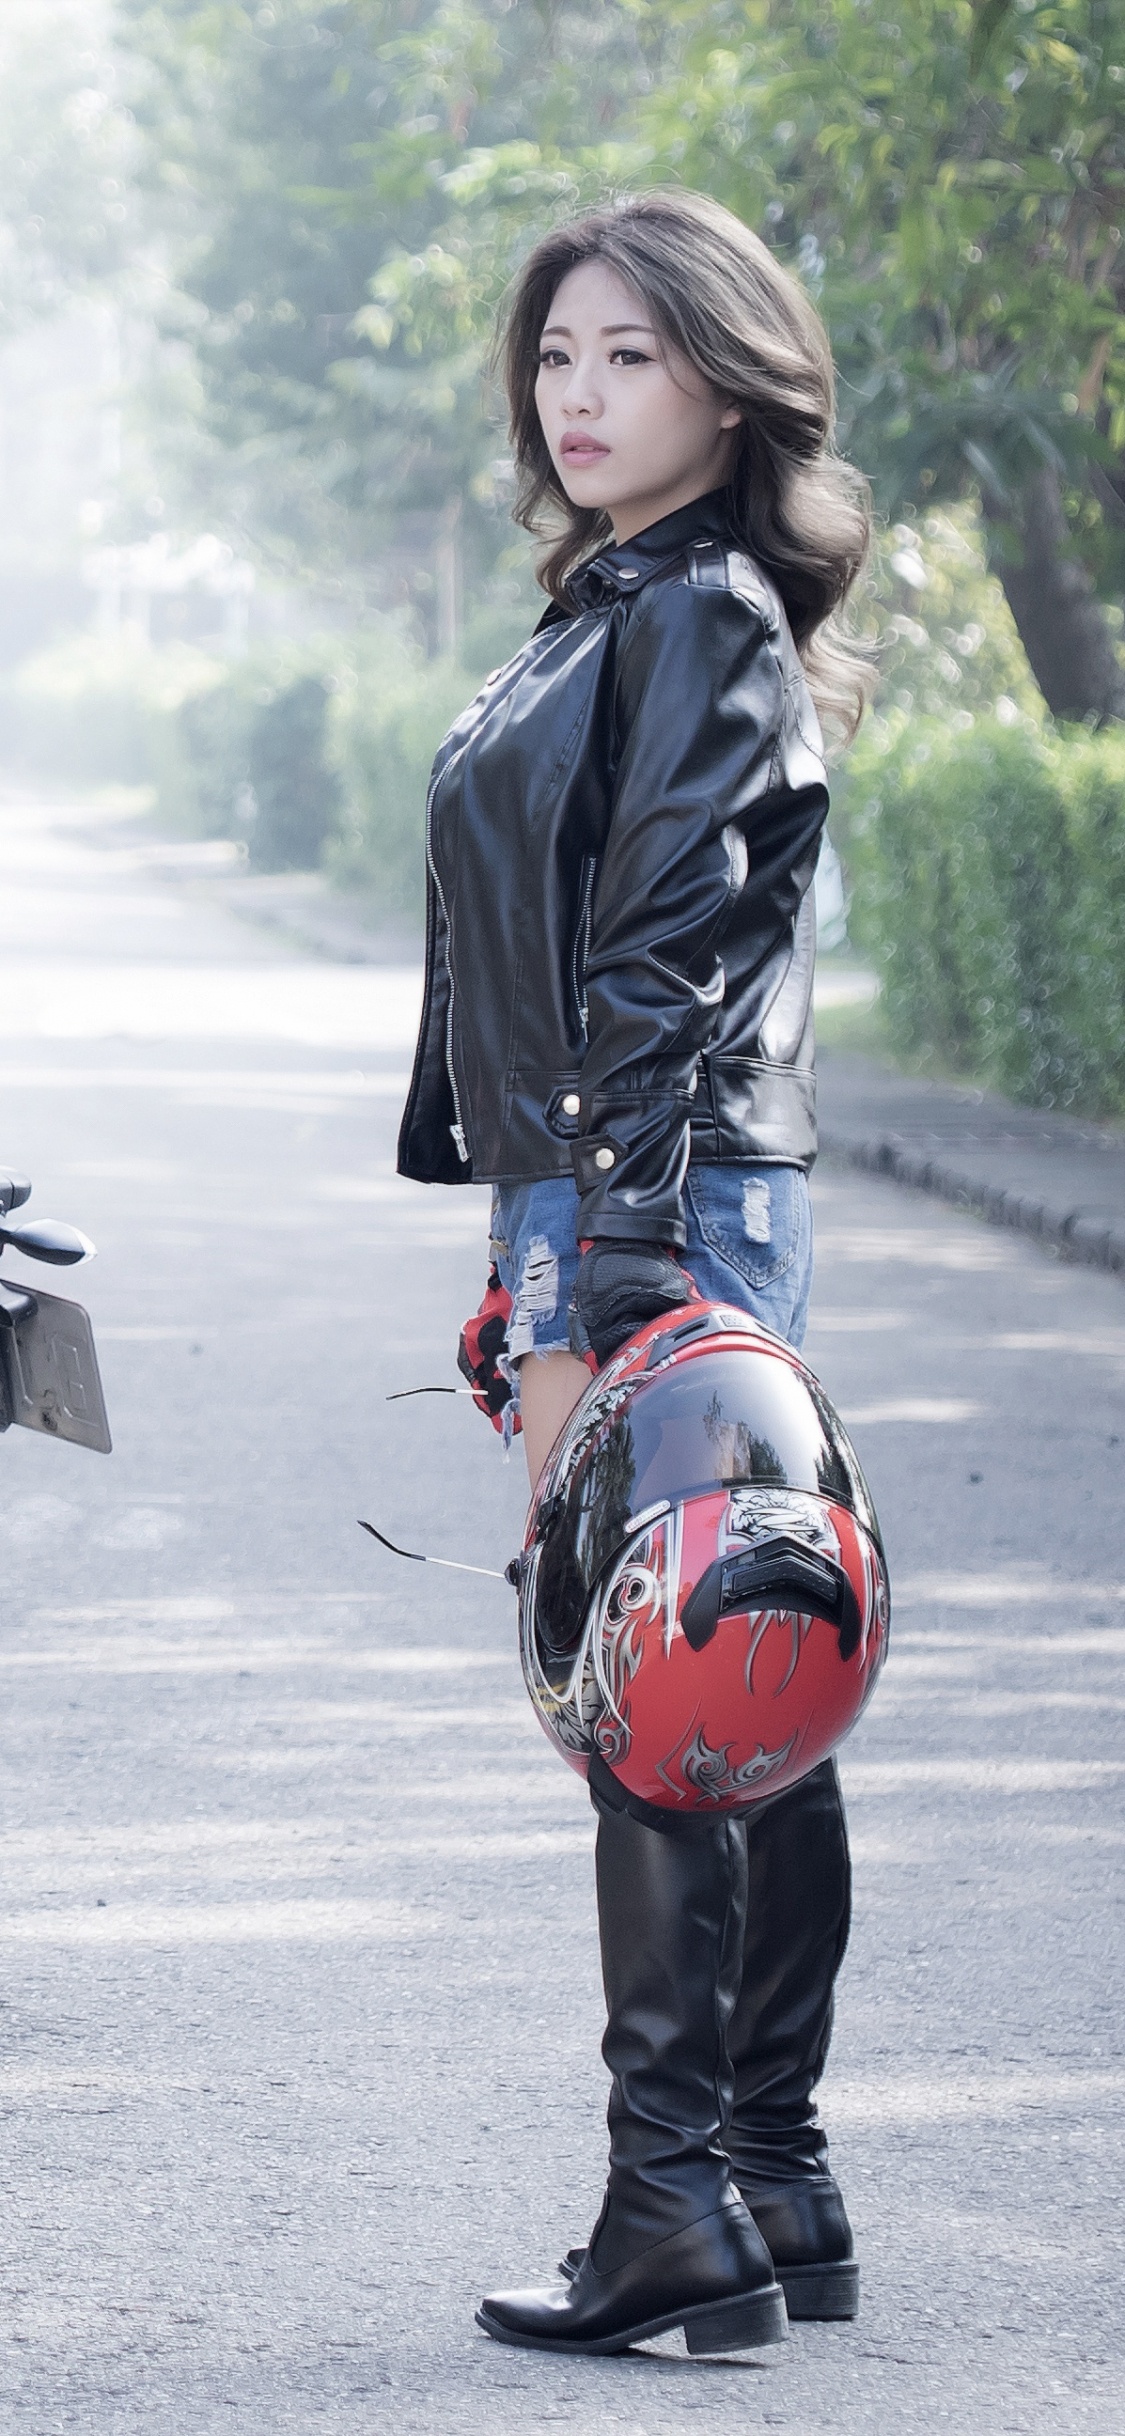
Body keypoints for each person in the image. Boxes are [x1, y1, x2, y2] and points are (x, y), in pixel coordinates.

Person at [397, 187, 872, 2356]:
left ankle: (675, 2204)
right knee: (734, 1670)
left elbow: (664, 941)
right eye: (556, 356)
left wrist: (600, 1253)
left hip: (646, 1189)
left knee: (657, 1689)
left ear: (729, 386)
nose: (577, 396)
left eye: (631, 356)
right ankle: (768, 2175)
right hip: (632, 1183)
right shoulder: (623, 604)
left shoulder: (685, 615)